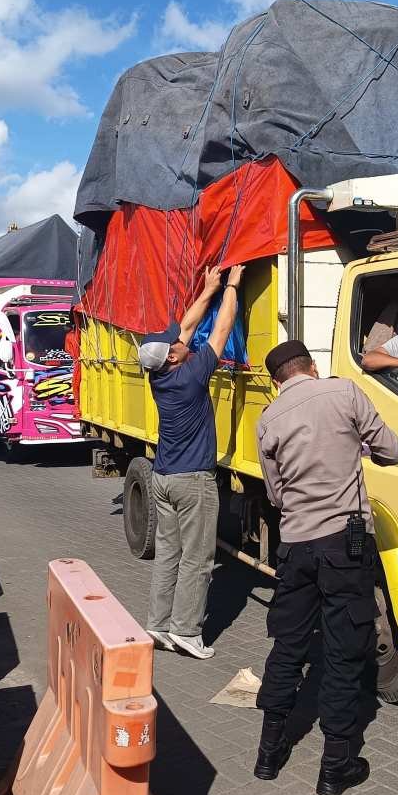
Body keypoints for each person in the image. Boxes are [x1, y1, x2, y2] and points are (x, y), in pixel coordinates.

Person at [253, 339, 398, 795]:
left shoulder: (268, 419)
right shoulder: (345, 392)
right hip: (345, 544)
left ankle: (268, 754)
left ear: (277, 381)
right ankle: (335, 766)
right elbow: (392, 450)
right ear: (312, 367)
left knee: (288, 645)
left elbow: (276, 495)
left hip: (296, 546)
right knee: (342, 651)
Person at [138, 262, 245, 659]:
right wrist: (232, 287)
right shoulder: (192, 374)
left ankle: (158, 624)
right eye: (177, 344)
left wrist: (208, 288)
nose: (184, 339)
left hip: (163, 477)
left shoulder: (160, 375)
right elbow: (222, 329)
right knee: (199, 558)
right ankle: (186, 632)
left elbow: (186, 326)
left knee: (168, 554)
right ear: (173, 357)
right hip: (192, 481)